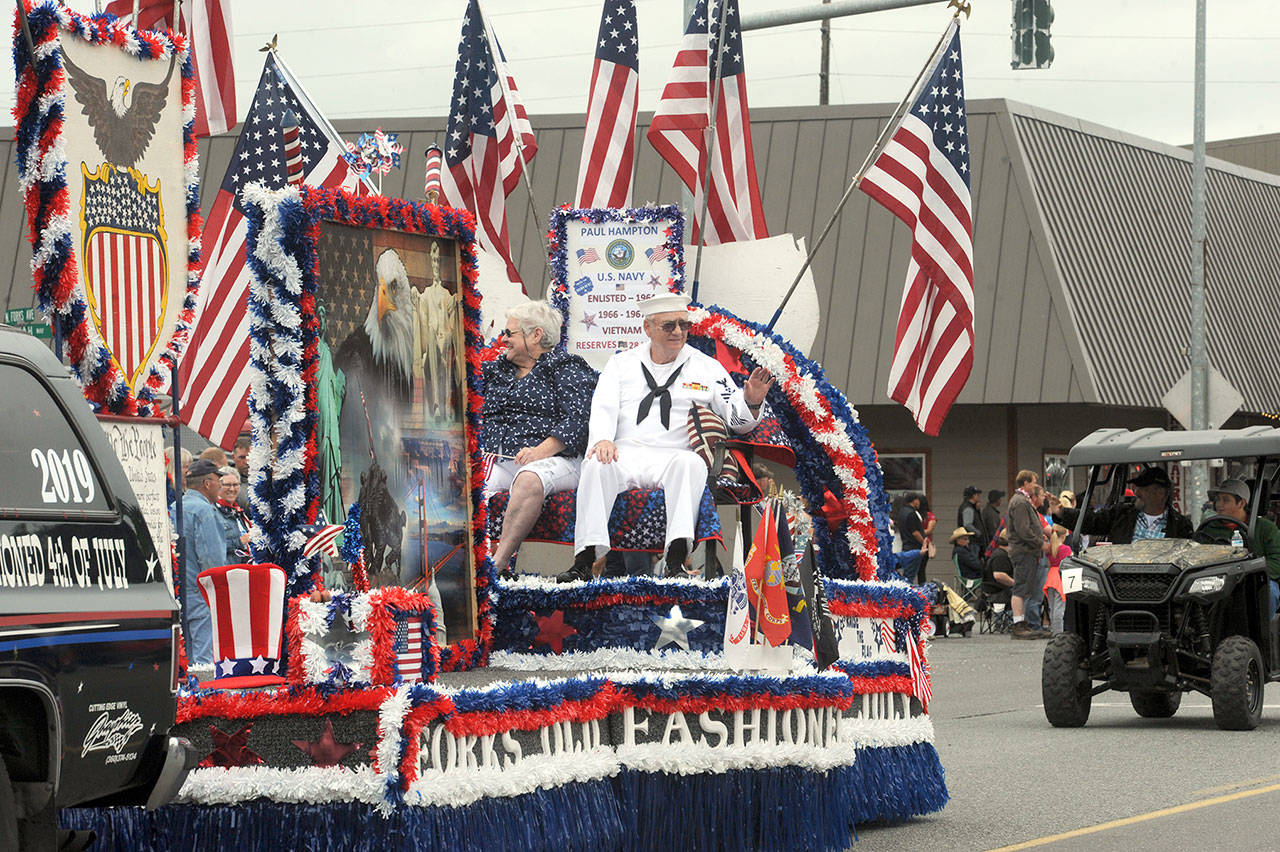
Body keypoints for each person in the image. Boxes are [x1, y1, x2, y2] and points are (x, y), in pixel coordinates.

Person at [561, 292, 773, 581]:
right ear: (648, 328)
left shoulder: (706, 367)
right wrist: (602, 439)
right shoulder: (621, 364)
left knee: (690, 465)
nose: (677, 332)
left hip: (674, 456)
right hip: (626, 452)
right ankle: (585, 559)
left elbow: (737, 419)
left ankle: (676, 560)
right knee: (596, 463)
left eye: (683, 325)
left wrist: (751, 401)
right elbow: (603, 408)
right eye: (669, 326)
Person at [482, 300, 597, 576]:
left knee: (529, 477)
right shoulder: (498, 369)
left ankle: (497, 566)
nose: (504, 339)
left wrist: (539, 451)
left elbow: (579, 419)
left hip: (557, 459)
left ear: (535, 335)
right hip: (501, 458)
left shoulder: (566, 367)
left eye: (510, 333)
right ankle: (469, 564)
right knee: (464, 485)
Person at [176, 459, 229, 665]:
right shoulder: (204, 511)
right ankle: (203, 695)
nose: (220, 486)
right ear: (207, 484)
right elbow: (212, 561)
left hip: (180, 590)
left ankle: (186, 697)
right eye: (218, 481)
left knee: (184, 657)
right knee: (204, 659)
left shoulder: (174, 507)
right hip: (202, 592)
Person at [1052, 466, 1192, 544]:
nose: (1136, 492)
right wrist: (1062, 512)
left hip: (1162, 589)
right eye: (1136, 488)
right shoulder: (1121, 514)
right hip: (1120, 586)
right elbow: (1092, 521)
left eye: (1143, 489)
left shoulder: (1181, 526)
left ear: (1160, 493)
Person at [1201, 478, 1280, 615]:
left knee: (1270, 592)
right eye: (1218, 500)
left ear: (1242, 503)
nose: (1219, 504)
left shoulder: (1266, 528)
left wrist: (1253, 570)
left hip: (1254, 580)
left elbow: (1277, 559)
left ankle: (1262, 634)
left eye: (1226, 500)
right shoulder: (1208, 529)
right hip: (1215, 581)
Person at [1007, 469, 1050, 639]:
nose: (1035, 486)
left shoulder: (1022, 501)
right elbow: (1023, 530)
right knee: (1020, 588)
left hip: (1027, 552)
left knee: (1025, 588)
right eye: (1033, 482)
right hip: (1024, 552)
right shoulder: (1020, 503)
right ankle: (1018, 625)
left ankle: (1023, 623)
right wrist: (1041, 543)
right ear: (1025, 483)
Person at [215, 467, 252, 561]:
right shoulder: (213, 512)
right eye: (227, 485)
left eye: (235, 484)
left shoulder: (239, 512)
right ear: (218, 486)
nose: (232, 489)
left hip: (244, 568)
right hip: (227, 571)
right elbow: (211, 546)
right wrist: (239, 542)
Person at [1042, 524, 1073, 633]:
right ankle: (1058, 633)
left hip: (1051, 577)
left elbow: (1049, 563)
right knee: (1060, 608)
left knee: (1052, 606)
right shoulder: (1066, 549)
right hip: (1061, 576)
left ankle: (1054, 630)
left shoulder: (1050, 549)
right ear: (1064, 536)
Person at [897, 493, 926, 582]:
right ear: (914, 501)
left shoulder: (902, 511)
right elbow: (915, 532)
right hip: (914, 547)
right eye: (918, 500)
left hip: (905, 546)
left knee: (906, 574)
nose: (919, 503)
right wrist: (924, 543)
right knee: (910, 576)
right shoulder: (912, 514)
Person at [956, 485, 989, 550]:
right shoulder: (968, 508)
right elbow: (967, 525)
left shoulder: (970, 507)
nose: (978, 496)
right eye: (977, 494)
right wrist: (978, 533)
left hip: (972, 542)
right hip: (972, 542)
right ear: (973, 496)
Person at [232, 435, 252, 511]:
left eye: (250, 457)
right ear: (233, 457)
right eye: (242, 457)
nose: (247, 462)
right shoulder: (225, 481)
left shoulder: (263, 479)